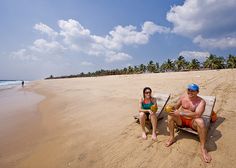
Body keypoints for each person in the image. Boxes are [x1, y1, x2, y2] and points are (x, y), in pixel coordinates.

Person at [165, 83, 212, 163]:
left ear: (197, 92)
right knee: (170, 116)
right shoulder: (183, 97)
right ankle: (172, 138)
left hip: (192, 121)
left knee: (200, 122)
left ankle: (203, 148)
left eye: (192, 91)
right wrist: (171, 108)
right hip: (181, 121)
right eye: (189, 90)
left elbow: (197, 114)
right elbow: (176, 106)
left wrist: (180, 113)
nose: (190, 92)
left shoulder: (201, 102)